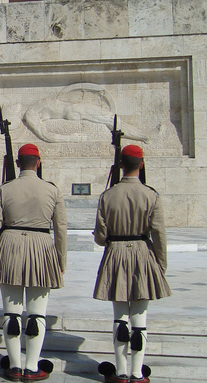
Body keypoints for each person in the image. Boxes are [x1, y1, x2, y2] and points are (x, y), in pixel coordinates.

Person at [0, 143, 67, 382]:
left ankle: (14, 365)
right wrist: (61, 260)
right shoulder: (52, 190)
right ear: (39, 162)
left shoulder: (5, 188)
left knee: (11, 313)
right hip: (42, 248)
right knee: (37, 314)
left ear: (18, 164)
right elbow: (61, 229)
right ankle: (31, 367)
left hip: (10, 246)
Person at [94, 144, 171, 383]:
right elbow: (159, 234)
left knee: (120, 317)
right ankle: (137, 373)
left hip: (115, 253)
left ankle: (120, 371)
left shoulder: (107, 195)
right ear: (142, 165)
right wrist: (160, 265)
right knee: (140, 319)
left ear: (120, 166)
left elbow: (99, 236)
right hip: (142, 254)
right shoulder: (151, 195)